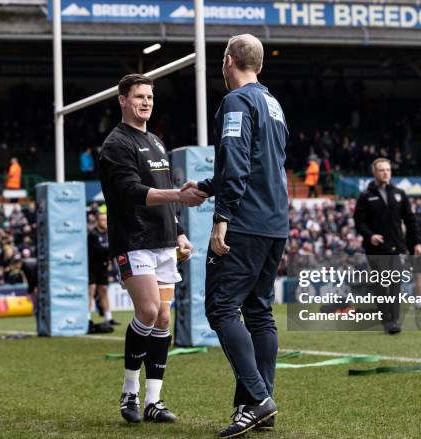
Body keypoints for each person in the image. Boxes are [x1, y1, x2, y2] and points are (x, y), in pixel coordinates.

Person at [183, 34, 287, 438]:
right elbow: (264, 163)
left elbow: (238, 157)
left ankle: (258, 398)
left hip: (245, 222)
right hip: (274, 222)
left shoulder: (236, 101)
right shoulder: (273, 105)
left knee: (222, 308)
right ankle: (259, 405)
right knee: (259, 312)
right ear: (258, 64)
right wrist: (210, 185)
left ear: (228, 61)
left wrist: (221, 215)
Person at [99, 73, 208, 425]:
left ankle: (153, 401)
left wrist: (178, 232)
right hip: (134, 241)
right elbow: (130, 191)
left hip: (163, 242)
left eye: (149, 97)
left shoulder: (158, 143)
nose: (145, 102)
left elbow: (163, 195)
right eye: (138, 96)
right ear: (122, 100)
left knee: (163, 317)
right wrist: (179, 195)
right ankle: (129, 390)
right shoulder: (116, 144)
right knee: (147, 311)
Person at [353, 157, 421, 334]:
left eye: (388, 170)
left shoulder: (399, 194)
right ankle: (387, 320)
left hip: (396, 247)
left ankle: (394, 319)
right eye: (382, 170)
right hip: (376, 249)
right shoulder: (365, 196)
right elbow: (359, 222)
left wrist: (417, 242)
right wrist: (370, 236)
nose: (386, 173)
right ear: (374, 173)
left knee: (395, 284)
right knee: (383, 285)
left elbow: (410, 220)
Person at [87, 211, 119, 328]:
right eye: (102, 220)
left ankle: (108, 318)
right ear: (97, 221)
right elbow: (100, 250)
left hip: (103, 266)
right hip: (92, 267)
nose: (105, 222)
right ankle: (87, 318)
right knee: (91, 291)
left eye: (106, 220)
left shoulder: (108, 234)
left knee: (104, 291)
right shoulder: (92, 234)